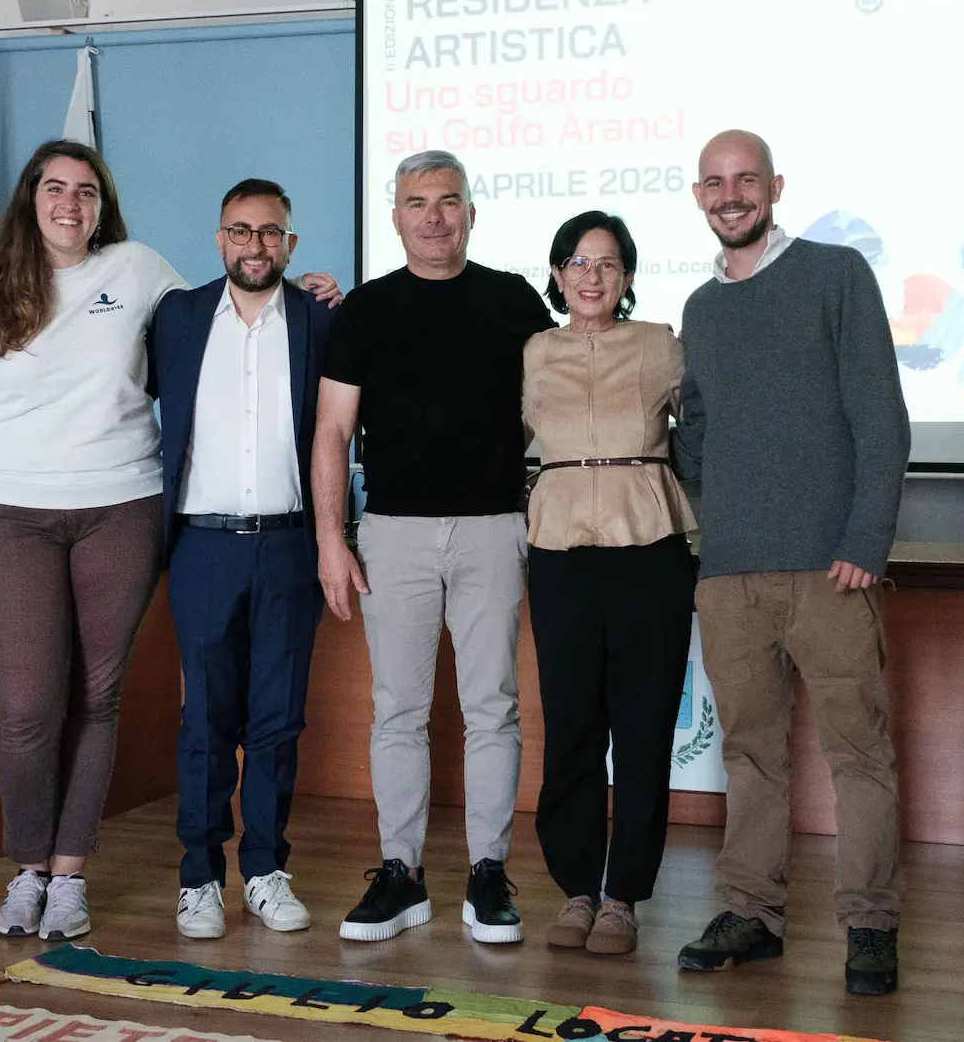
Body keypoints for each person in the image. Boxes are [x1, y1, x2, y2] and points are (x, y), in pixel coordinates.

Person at [0, 141, 336, 942]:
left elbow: (232, 324)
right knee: (27, 706)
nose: (70, 204)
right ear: (31, 198)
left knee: (96, 699)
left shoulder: (143, 271)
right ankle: (28, 868)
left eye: (86, 190)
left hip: (123, 509)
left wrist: (309, 292)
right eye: (55, 188)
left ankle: (72, 875)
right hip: (15, 515)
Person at [671, 130, 911, 995]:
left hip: (830, 567)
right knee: (749, 753)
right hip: (730, 571)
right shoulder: (700, 310)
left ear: (775, 186)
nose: (731, 194)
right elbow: (696, 429)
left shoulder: (836, 275)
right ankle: (752, 912)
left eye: (746, 180)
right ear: (699, 195)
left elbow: (883, 418)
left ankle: (871, 924)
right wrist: (717, 508)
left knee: (859, 753)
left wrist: (863, 541)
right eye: (715, 182)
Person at [313, 149, 555, 944]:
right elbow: (332, 429)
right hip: (394, 535)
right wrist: (329, 538)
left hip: (492, 529)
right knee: (398, 713)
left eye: (449, 201)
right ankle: (401, 874)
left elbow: (541, 408)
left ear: (471, 212)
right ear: (396, 216)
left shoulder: (514, 299)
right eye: (418, 202)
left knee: (493, 708)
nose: (434, 216)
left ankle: (488, 875)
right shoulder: (367, 311)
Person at [148, 179, 335, 939]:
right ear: (219, 238)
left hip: (290, 545)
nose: (254, 245)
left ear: (290, 243)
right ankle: (199, 878)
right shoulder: (178, 317)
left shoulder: (321, 318)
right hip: (202, 547)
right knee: (204, 721)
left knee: (277, 721)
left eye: (269, 232)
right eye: (239, 231)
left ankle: (264, 868)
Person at [522, 211, 696, 956]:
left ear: (626, 277)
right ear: (557, 274)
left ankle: (624, 893)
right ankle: (576, 888)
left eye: (607, 264)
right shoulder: (531, 351)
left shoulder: (660, 344)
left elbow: (713, 428)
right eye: (577, 263)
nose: (591, 277)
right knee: (570, 722)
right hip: (558, 546)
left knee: (645, 722)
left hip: (649, 543)